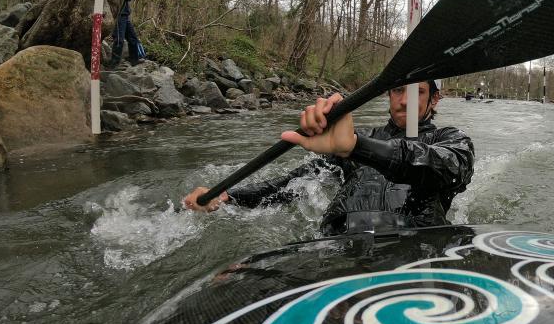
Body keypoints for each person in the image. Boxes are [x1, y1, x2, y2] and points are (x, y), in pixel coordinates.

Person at [183, 80, 475, 235]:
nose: (403, 100)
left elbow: (449, 168)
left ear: (434, 99)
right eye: (397, 90)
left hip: (417, 243)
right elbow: (291, 185)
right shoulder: (354, 137)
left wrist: (357, 148)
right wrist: (227, 197)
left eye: (417, 91)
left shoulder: (449, 139)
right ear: (388, 94)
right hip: (339, 240)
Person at [106, 0, 146, 68]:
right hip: (118, 15)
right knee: (119, 39)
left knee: (133, 38)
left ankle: (134, 60)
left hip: (125, 15)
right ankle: (114, 63)